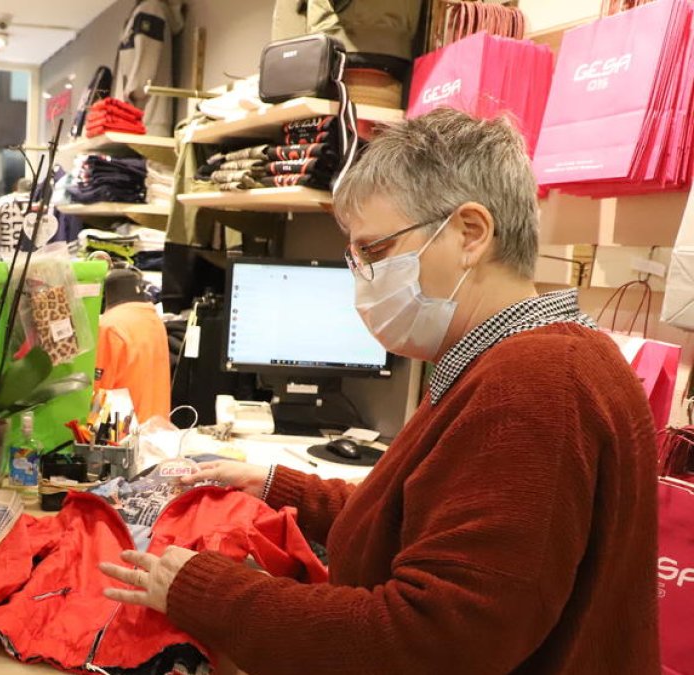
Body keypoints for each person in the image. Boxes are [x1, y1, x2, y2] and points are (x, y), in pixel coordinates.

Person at [100, 109, 660, 674]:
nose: (363, 278)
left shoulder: (536, 386)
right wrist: (272, 482)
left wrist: (210, 593)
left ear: (470, 233)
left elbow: (434, 639)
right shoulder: (512, 362)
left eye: (375, 252)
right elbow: (422, 521)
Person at [94, 268, 171, 422]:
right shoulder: (154, 319)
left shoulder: (109, 327)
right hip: (158, 430)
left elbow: (99, 393)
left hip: (123, 436)